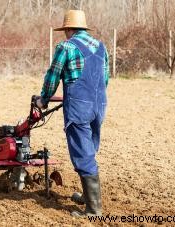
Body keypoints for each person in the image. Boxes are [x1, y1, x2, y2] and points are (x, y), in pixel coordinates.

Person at [36, 10, 109, 217]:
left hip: (79, 107)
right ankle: (88, 197)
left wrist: (44, 99)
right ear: (84, 28)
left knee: (82, 152)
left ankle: (94, 210)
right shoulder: (101, 47)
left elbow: (53, 76)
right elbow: (105, 79)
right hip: (99, 105)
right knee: (90, 149)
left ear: (68, 29)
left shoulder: (66, 47)